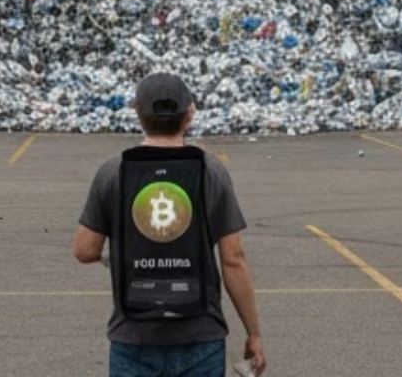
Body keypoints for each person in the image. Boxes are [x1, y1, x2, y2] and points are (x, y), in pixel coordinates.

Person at [75, 73, 266, 377]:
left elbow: (85, 250)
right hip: (201, 337)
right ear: (190, 113)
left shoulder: (114, 172)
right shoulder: (211, 171)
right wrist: (253, 333)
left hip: (133, 337)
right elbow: (233, 259)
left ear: (137, 111)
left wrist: (120, 255)